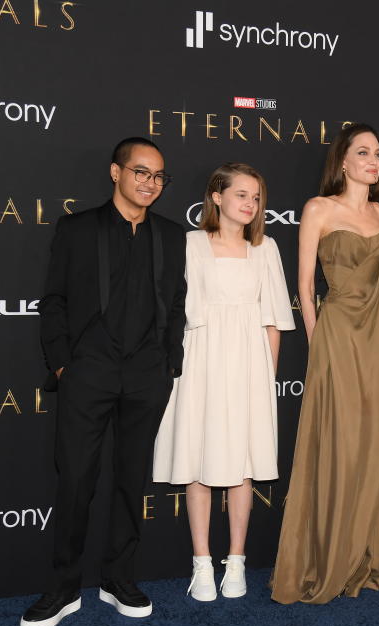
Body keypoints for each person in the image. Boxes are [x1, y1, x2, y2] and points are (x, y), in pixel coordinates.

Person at [22, 137, 186, 626]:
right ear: (116, 173)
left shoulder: (172, 235)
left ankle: (118, 579)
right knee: (75, 480)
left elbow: (176, 303)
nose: (149, 183)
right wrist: (63, 366)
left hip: (146, 377)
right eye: (140, 172)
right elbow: (53, 300)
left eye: (158, 176)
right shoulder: (77, 229)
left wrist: (168, 364)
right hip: (87, 373)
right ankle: (63, 587)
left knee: (130, 481)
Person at [270, 123, 379, 604]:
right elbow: (305, 287)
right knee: (341, 443)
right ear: (343, 161)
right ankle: (330, 554)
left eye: (378, 153)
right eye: (363, 152)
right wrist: (317, 345)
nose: (373, 161)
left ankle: (373, 552)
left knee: (378, 442)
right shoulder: (318, 209)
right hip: (337, 338)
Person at [152, 163, 295, 600]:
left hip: (249, 364)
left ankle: (236, 561)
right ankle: (201, 563)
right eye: (241, 195)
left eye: (256, 197)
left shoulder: (266, 247)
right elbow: (174, 310)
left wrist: (265, 379)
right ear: (216, 197)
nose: (250, 204)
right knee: (199, 459)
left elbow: (274, 320)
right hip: (200, 360)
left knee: (241, 465)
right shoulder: (190, 243)